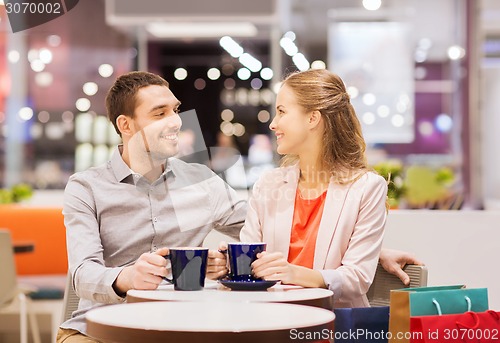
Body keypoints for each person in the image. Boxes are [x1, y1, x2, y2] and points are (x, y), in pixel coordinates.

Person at [57, 71, 246, 342]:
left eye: (175, 110)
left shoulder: (201, 181)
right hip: (102, 331)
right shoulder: (86, 187)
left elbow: (259, 231)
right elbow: (83, 274)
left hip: (182, 328)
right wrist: (128, 277)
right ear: (126, 125)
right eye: (160, 114)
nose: (176, 122)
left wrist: (231, 260)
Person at [238, 69, 389, 307]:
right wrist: (227, 263)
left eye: (281, 112)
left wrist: (293, 273)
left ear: (312, 118)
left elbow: (357, 279)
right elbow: (250, 262)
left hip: (334, 325)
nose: (273, 124)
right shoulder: (268, 185)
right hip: (272, 321)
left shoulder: (367, 188)